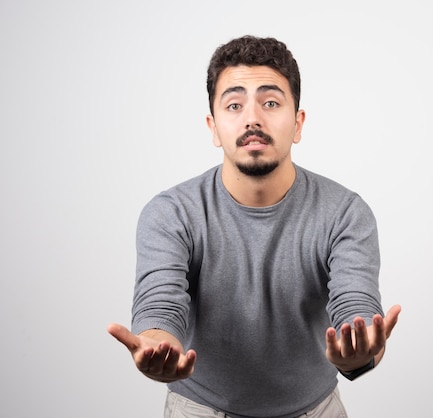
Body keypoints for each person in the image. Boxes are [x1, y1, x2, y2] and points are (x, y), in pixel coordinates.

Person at [108, 35, 401, 418]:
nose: (252, 118)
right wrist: (158, 347)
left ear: (298, 123)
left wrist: (359, 349)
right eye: (234, 104)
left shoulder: (345, 212)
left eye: (271, 102)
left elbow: (356, 306)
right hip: (199, 409)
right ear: (213, 127)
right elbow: (160, 306)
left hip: (316, 410)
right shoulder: (171, 213)